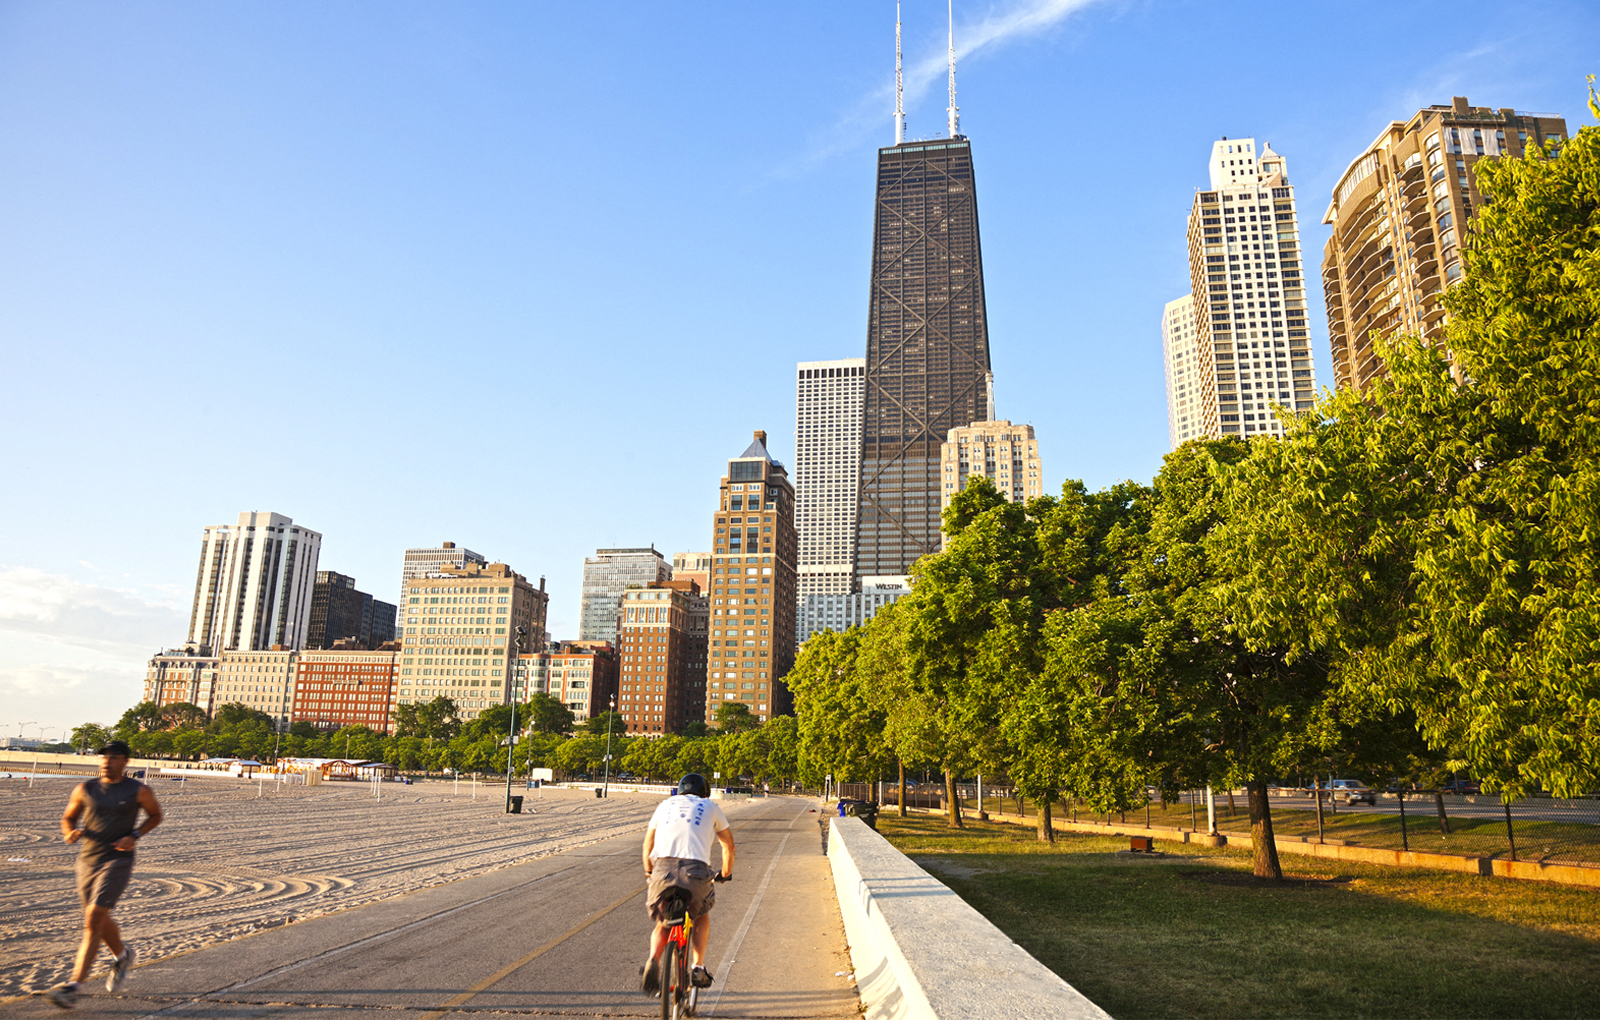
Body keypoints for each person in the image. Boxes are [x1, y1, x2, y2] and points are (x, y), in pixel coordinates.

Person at [45, 741, 163, 1010]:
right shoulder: (85, 789)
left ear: (125, 761)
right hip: (87, 860)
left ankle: (74, 986)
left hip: (118, 859)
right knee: (99, 916)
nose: (106, 761)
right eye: (104, 756)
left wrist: (135, 835)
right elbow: (69, 817)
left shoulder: (138, 790)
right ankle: (122, 956)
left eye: (113, 757)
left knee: (94, 917)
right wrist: (69, 833)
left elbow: (156, 815)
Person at [640, 772, 732, 994]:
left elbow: (647, 848)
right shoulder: (709, 806)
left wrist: (649, 872)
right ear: (704, 792)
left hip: (662, 870)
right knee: (701, 914)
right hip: (696, 872)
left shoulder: (664, 806)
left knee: (663, 921)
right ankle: (698, 967)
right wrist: (725, 873)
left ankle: (654, 958)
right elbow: (728, 846)